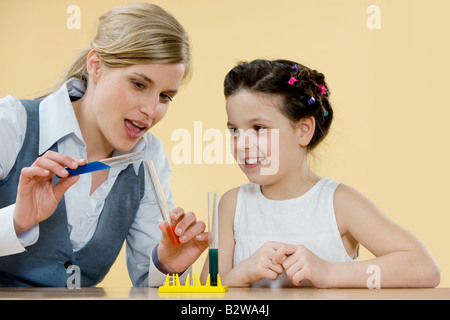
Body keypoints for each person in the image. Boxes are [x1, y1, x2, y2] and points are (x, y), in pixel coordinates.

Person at [0, 3, 209, 287]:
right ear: (96, 65)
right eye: (138, 84)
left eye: (165, 97)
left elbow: (150, 284)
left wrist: (166, 266)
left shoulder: (148, 157)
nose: (151, 110)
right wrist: (16, 221)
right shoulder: (12, 124)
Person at [202, 59, 440, 288]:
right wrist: (242, 273)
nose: (242, 143)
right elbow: (207, 287)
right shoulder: (233, 205)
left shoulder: (339, 204)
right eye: (234, 130)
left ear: (304, 130)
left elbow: (423, 267)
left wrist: (328, 272)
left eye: (258, 128)